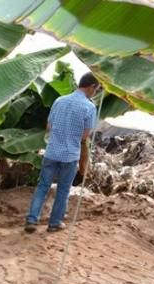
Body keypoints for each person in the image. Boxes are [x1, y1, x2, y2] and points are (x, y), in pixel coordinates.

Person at [24, 73, 99, 233]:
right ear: (92, 86)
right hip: (70, 155)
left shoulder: (59, 100)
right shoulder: (89, 107)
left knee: (42, 186)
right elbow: (85, 136)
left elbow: (49, 126)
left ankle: (31, 220)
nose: (95, 93)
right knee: (63, 189)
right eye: (96, 89)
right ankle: (54, 223)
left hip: (51, 152)